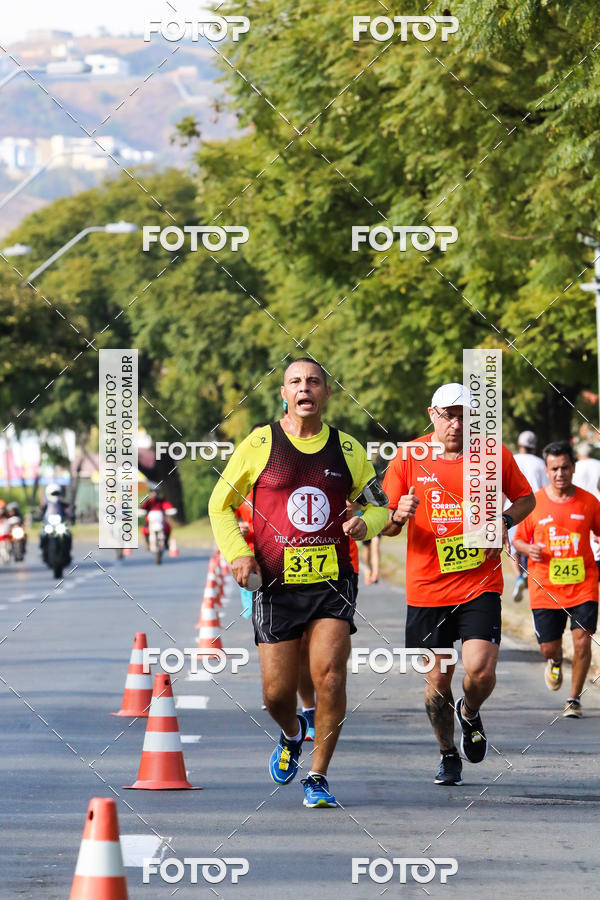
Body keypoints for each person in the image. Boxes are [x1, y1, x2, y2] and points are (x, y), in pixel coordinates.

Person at [208, 358, 388, 808]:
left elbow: (379, 504)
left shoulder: (347, 449)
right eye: (295, 382)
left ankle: (318, 775)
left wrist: (367, 523)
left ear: (326, 394)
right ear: (284, 395)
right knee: (276, 693)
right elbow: (219, 504)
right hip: (275, 584)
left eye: (313, 381)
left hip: (332, 582)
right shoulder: (260, 443)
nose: (304, 388)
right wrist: (240, 553)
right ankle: (292, 733)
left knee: (329, 677)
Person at [382, 383, 535, 786]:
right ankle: (448, 754)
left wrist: (502, 520)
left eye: (463, 414)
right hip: (428, 587)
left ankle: (469, 712)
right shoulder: (409, 456)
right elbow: (387, 524)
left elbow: (525, 499)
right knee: (438, 680)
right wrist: (398, 514)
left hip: (479, 582)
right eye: (447, 414)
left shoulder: (493, 454)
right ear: (431, 413)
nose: (455, 422)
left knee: (480, 670)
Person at [513, 441, 600, 718]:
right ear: (547, 470)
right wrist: (529, 548)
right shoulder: (534, 503)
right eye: (554, 469)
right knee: (549, 647)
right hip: (545, 587)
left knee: (583, 641)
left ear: (573, 468)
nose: (560, 473)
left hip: (583, 584)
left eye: (565, 467)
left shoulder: (589, 502)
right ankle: (554, 660)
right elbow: (517, 541)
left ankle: (573, 699)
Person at [510, 431, 549, 602]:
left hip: (511, 510)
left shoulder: (511, 460)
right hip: (535, 509)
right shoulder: (541, 463)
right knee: (531, 545)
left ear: (519, 444)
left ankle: (519, 576)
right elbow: (547, 488)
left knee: (512, 546)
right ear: (534, 446)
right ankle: (532, 577)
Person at [39, 483, 72, 562]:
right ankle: (43, 550)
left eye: (56, 493)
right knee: (42, 534)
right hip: (49, 526)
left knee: (68, 535)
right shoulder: (46, 506)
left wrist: (71, 515)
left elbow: (69, 512)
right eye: (53, 493)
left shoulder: (62, 504)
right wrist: (38, 517)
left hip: (60, 526)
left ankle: (67, 551)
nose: (55, 495)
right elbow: (41, 514)